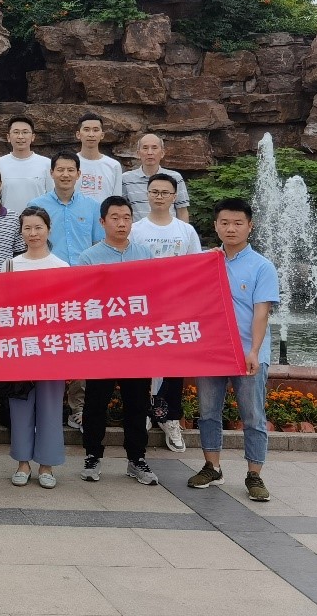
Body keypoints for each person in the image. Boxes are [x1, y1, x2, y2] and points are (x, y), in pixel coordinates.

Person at [187, 198, 277, 502]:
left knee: (253, 415)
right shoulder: (206, 262)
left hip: (248, 353)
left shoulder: (262, 266)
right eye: (224, 223)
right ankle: (212, 467)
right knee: (208, 413)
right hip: (211, 351)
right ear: (215, 226)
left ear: (250, 226)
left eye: (238, 223)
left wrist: (254, 351)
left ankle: (254, 475)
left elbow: (261, 313)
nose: (231, 228)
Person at [76, 196, 157, 486]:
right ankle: (92, 455)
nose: (121, 223)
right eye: (115, 218)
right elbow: (83, 301)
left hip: (136, 342)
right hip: (103, 342)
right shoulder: (89, 258)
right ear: (102, 222)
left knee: (136, 403)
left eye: (126, 218)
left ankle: (137, 458)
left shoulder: (145, 255)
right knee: (96, 402)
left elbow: (154, 295)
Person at [28, 151, 105, 432]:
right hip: (47, 286)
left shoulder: (92, 207)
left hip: (82, 287)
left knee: (80, 345)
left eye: (70, 170)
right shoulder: (37, 206)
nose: (65, 174)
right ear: (51, 173)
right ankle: (45, 408)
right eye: (60, 169)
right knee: (47, 344)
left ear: (79, 173)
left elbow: (98, 245)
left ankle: (78, 408)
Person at [130, 173, 201, 454]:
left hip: (176, 306)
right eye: (154, 192)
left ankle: (170, 417)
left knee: (174, 364)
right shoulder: (135, 229)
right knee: (143, 364)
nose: (159, 197)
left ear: (174, 197)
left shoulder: (186, 231)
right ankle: (145, 413)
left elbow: (196, 269)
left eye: (165, 193)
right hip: (143, 306)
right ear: (147, 194)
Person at [4, 206, 68, 489]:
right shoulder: (10, 265)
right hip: (19, 347)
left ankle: (47, 464)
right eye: (27, 228)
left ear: (48, 229)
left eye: (38, 227)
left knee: (50, 407)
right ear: (21, 232)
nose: (33, 233)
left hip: (52, 348)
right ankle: (22, 463)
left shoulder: (61, 267)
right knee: (20, 405)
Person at [122, 133, 191, 221]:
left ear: (162, 153)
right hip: (138, 229)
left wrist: (183, 229)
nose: (150, 152)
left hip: (169, 228)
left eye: (154, 148)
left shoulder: (175, 177)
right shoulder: (126, 179)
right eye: (145, 148)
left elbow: (182, 211)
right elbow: (121, 210)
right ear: (138, 153)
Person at [0, 116, 51, 213]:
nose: (20, 136)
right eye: (16, 132)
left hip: (37, 220)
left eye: (25, 132)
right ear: (8, 137)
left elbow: (51, 197)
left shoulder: (46, 164)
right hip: (7, 221)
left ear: (33, 137)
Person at [74, 112, 121, 203]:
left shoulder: (114, 165)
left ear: (102, 135)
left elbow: (116, 200)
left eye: (96, 130)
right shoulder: (70, 163)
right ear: (78, 134)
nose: (91, 134)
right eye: (86, 130)